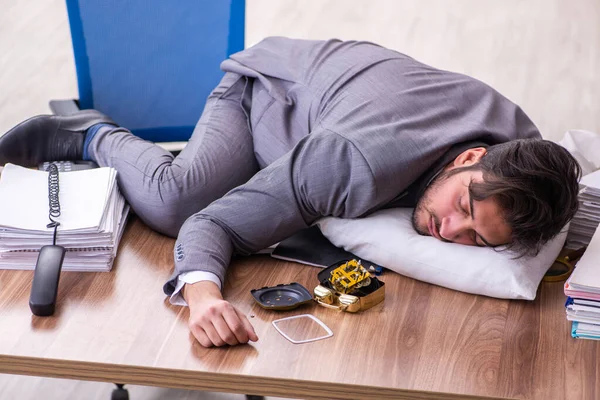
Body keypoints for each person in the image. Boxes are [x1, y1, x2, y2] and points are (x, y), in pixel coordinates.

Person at [0, 37, 581, 347]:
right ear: (469, 157)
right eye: (463, 208)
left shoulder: (527, 157)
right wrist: (203, 297)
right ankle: (90, 136)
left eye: (478, 239)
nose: (451, 233)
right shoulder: (354, 163)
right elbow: (215, 226)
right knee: (178, 203)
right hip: (265, 97)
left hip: (345, 94)